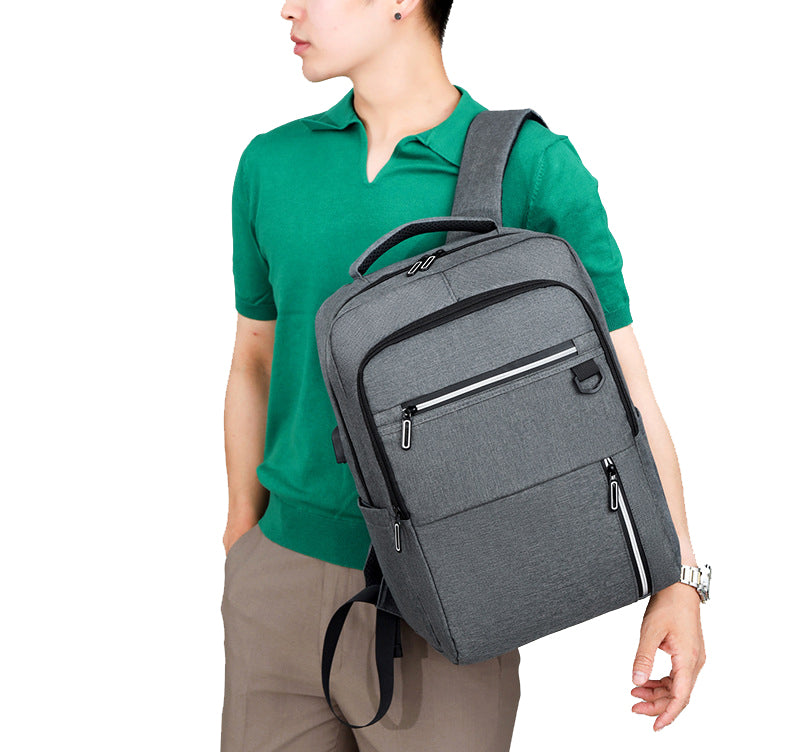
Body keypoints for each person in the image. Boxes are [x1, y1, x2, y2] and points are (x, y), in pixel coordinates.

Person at [220, 1, 707, 748]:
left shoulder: (530, 167)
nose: (288, 7)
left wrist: (679, 580)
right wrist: (242, 539)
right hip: (277, 586)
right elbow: (254, 358)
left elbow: (624, 388)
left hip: (454, 597)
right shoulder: (271, 164)